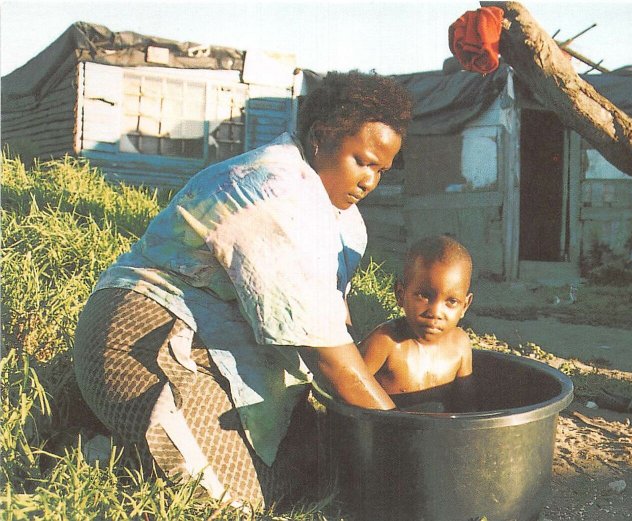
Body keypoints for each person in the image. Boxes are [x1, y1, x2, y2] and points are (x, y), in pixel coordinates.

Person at [72, 70, 413, 507]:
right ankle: (101, 447)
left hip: (221, 343)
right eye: (362, 161)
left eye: (381, 170)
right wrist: (410, 435)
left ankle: (132, 440)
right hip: (143, 333)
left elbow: (334, 321)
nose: (370, 181)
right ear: (321, 136)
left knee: (313, 474)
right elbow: (326, 355)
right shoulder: (273, 191)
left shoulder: (340, 217)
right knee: (236, 500)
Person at [359, 235, 477, 412]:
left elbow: (466, 406)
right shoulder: (386, 342)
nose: (435, 313)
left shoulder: (460, 344)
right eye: (424, 295)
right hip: (388, 434)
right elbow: (345, 385)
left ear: (464, 306)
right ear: (401, 293)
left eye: (451, 301)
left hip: (442, 435)